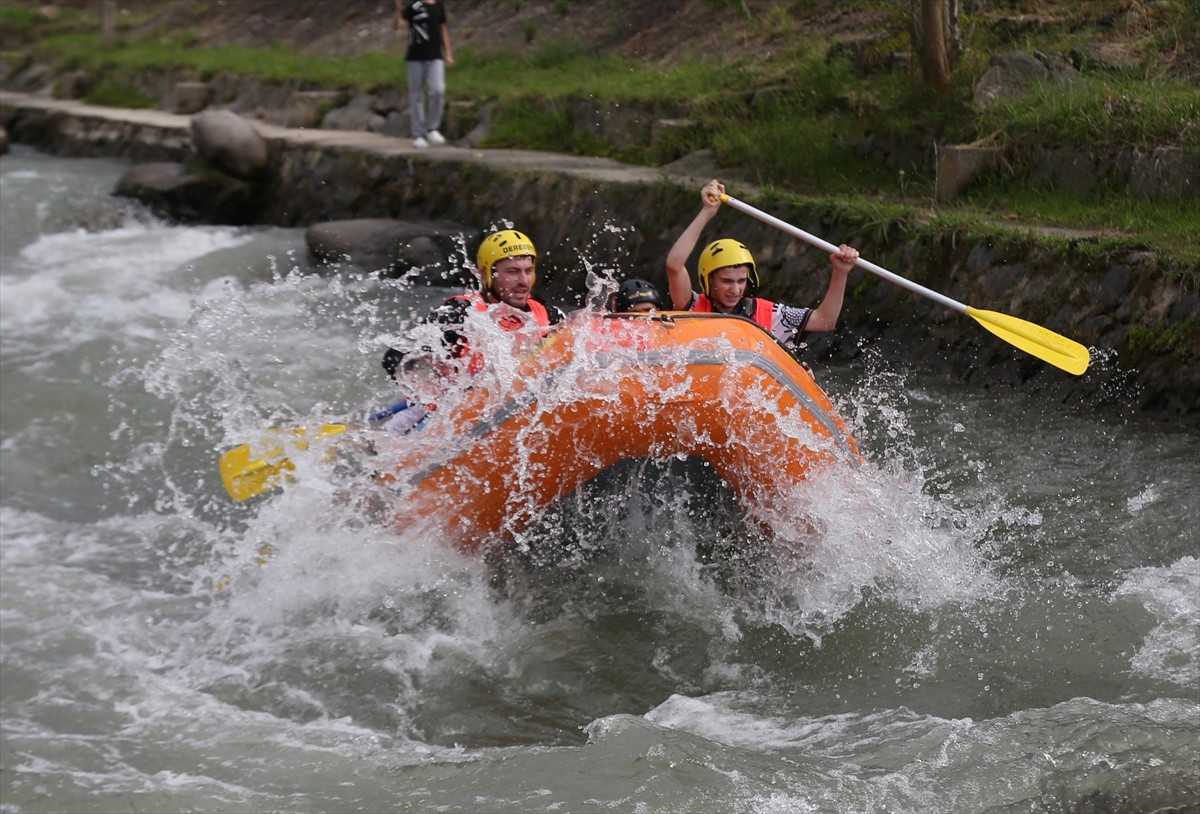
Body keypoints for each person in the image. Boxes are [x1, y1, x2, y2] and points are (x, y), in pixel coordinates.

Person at [666, 179, 860, 351]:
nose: (735, 289)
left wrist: (840, 273)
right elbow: (674, 266)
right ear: (707, 280)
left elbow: (825, 321)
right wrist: (707, 212)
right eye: (726, 281)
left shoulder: (769, 314)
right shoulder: (691, 306)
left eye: (741, 281)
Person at [382, 228, 566, 383]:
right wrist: (430, 389)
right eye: (513, 272)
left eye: (528, 271)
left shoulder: (551, 316)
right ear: (487, 275)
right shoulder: (460, 313)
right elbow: (394, 356)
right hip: (464, 410)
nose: (524, 281)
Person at [395, 0, 453, 149]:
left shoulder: (438, 5)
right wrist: (399, 8)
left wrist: (448, 52)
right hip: (415, 56)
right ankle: (418, 134)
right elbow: (398, 25)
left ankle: (432, 128)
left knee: (438, 90)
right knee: (416, 95)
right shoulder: (414, 6)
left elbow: (443, 28)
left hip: (435, 56)